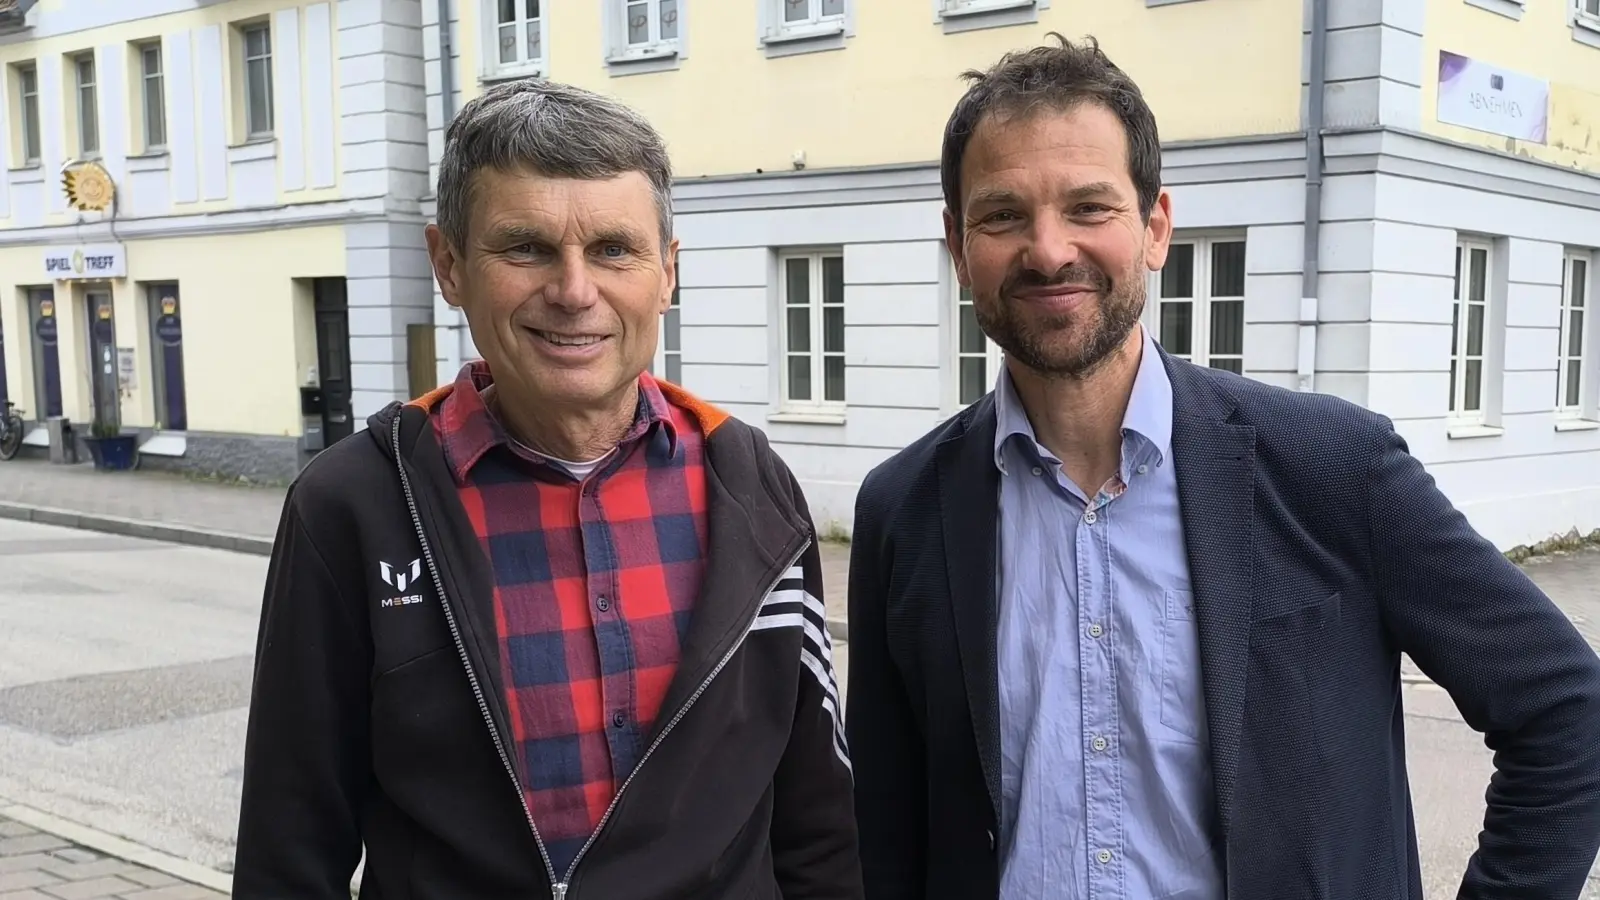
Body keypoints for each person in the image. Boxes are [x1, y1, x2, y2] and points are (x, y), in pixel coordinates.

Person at [845, 32, 1600, 900]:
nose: (1048, 250)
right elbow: (888, 828)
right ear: (956, 241)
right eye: (1004, 214)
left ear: (1156, 225)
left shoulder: (1333, 469)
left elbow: (1566, 710)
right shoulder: (905, 509)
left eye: (1090, 207)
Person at [232, 78, 861, 900]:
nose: (573, 290)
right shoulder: (353, 506)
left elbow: (817, 822)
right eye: (525, 247)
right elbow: (290, 848)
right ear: (449, 264)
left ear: (667, 273)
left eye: (613, 250)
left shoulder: (750, 487)